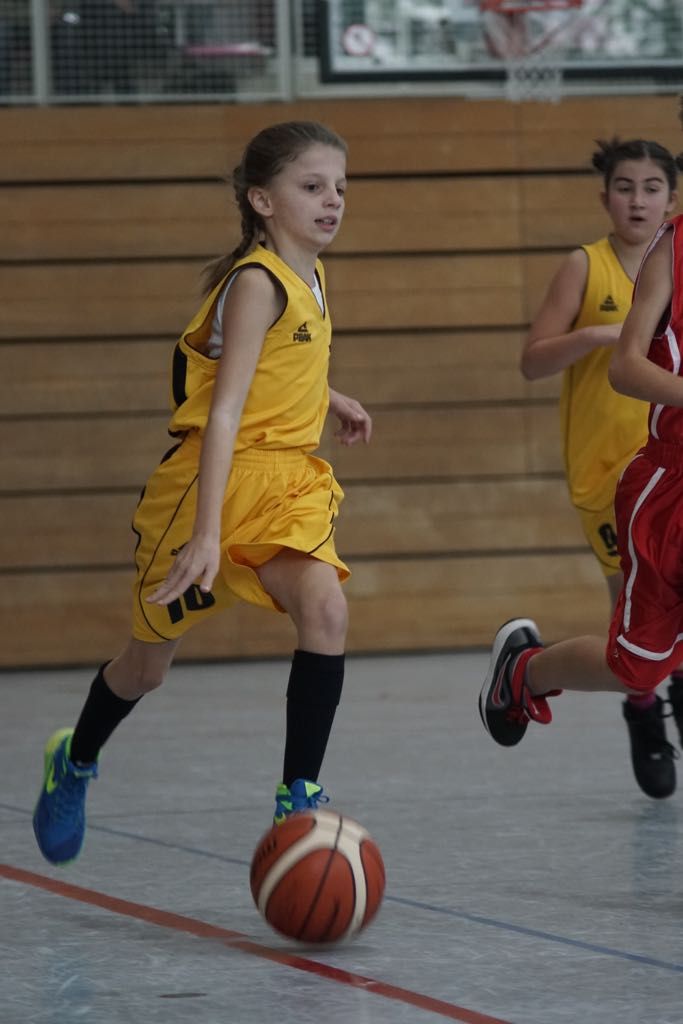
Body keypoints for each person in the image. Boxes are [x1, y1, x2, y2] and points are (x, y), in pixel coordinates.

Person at [33, 120, 372, 867]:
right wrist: (208, 533)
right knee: (145, 669)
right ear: (262, 200)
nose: (332, 200)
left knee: (326, 609)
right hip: (205, 488)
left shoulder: (311, 274)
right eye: (311, 186)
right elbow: (222, 413)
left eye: (340, 188)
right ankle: (75, 759)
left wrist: (327, 396)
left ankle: (297, 797)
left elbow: (271, 372)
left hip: (286, 483)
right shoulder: (255, 283)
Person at [479, 142, 683, 774]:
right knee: (636, 630)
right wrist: (596, 335)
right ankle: (641, 711)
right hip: (617, 467)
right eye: (625, 187)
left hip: (656, 454)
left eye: (651, 188)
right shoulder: (590, 265)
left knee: (656, 638)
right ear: (605, 197)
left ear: (670, 194)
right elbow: (533, 361)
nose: (638, 200)